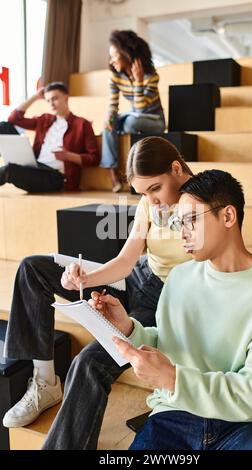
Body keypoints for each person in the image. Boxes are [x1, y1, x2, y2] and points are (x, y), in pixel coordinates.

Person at [3, 137, 193, 449]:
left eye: (155, 189)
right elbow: (125, 261)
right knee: (32, 268)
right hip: (136, 280)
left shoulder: (206, 203)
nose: (152, 200)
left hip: (166, 302)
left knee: (87, 363)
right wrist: (83, 278)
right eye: (144, 193)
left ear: (176, 168)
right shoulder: (149, 204)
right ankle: (45, 380)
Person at [94, 170, 252, 451]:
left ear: (228, 216)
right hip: (174, 416)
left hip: (248, 424)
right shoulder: (180, 278)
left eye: (191, 220)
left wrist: (174, 379)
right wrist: (129, 329)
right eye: (179, 223)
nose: (183, 233)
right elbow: (169, 343)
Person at [0, 82, 99, 192]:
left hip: (55, 176)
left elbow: (94, 159)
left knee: (10, 170)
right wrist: (36, 97)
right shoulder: (44, 120)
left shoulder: (82, 124)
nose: (51, 104)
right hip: (35, 166)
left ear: (66, 98)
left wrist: (69, 156)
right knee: (3, 127)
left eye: (55, 98)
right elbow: (13, 119)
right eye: (48, 100)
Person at [101, 30, 165, 193]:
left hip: (154, 120)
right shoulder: (115, 76)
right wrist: (110, 115)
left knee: (129, 123)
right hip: (133, 116)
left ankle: (130, 172)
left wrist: (138, 81)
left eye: (114, 55)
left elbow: (141, 108)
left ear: (126, 53)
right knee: (108, 124)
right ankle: (112, 171)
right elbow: (113, 104)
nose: (112, 61)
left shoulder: (151, 76)